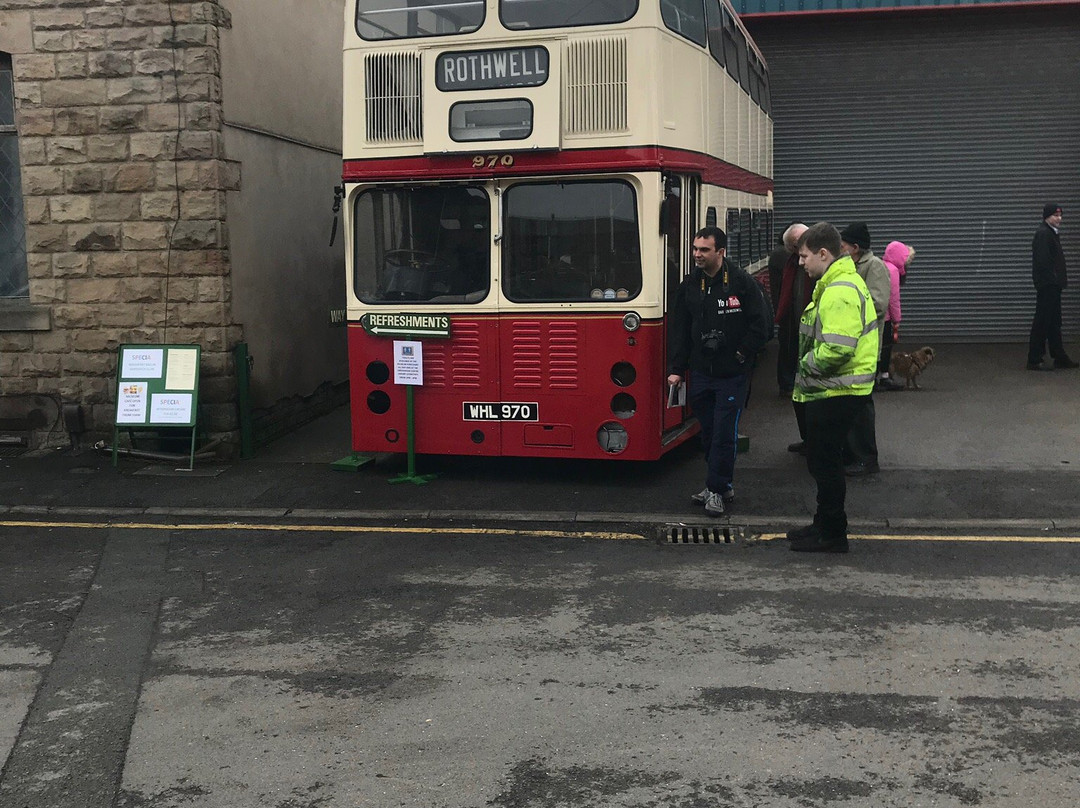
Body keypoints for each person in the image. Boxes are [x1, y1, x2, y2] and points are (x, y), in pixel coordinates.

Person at [787, 223, 880, 553]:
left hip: (836, 392)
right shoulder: (839, 282)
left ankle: (832, 534)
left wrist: (806, 364)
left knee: (825, 465)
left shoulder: (839, 290)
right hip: (835, 391)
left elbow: (839, 348)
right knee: (822, 462)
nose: (801, 263)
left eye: (804, 256)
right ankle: (823, 525)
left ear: (823, 254)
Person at [668, 226, 771, 516]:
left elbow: (762, 325)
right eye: (695, 249)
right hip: (701, 372)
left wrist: (741, 353)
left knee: (725, 433)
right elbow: (680, 330)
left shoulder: (742, 283)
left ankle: (715, 489)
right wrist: (676, 368)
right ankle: (722, 484)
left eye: (704, 250)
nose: (697, 255)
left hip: (733, 374)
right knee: (709, 433)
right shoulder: (690, 284)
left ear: (721, 252)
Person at [838, 222, 889, 476]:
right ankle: (852, 453)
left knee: (862, 406)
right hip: (851, 346)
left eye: (844, 245)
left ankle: (867, 458)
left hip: (865, 349)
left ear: (855, 247)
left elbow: (878, 305)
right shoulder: (852, 266)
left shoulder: (874, 267)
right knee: (850, 403)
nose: (840, 248)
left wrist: (846, 305)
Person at [1027, 204, 1077, 370]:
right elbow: (1043, 262)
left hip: (1053, 286)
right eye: (1055, 216)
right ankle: (1034, 359)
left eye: (1061, 215)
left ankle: (1059, 356)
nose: (1059, 219)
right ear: (1047, 217)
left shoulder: (1051, 233)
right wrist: (1053, 280)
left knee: (1054, 322)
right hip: (1048, 286)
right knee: (1042, 321)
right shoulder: (1044, 234)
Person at [774, 223, 809, 398]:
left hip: (805, 317)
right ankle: (789, 383)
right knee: (790, 349)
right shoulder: (790, 262)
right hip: (793, 317)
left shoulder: (796, 262)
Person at [878, 240, 915, 390]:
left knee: (878, 347)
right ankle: (884, 377)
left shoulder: (881, 265)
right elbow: (893, 298)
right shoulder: (892, 271)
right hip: (885, 317)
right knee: (886, 346)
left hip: (876, 315)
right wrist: (896, 320)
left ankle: (877, 377)